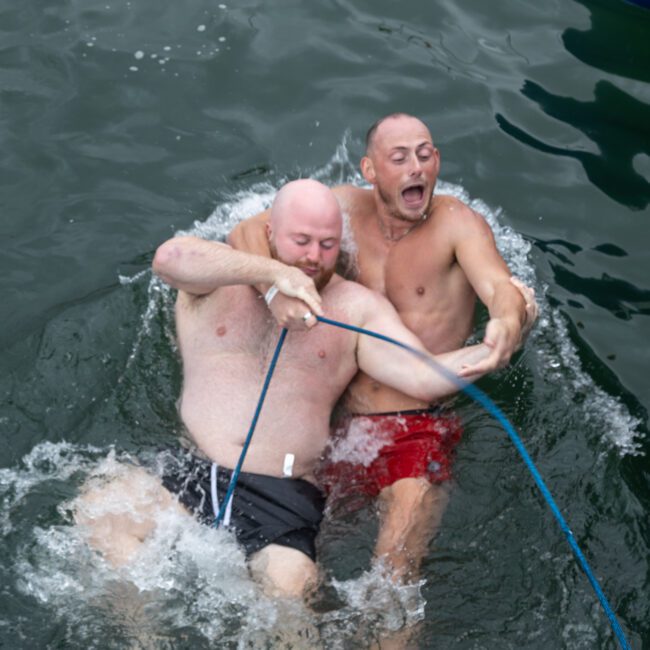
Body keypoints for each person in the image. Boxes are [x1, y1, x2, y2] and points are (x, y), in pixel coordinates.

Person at [74, 179, 493, 601]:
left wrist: (495, 347)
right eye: (302, 241)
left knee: (291, 591)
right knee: (101, 510)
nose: (314, 256)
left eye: (328, 244)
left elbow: (425, 377)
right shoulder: (219, 277)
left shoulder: (355, 307)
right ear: (271, 232)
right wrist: (274, 279)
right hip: (193, 469)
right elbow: (169, 258)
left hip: (278, 497)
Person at [228, 113, 538, 582]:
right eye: (400, 158)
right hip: (336, 425)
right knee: (299, 569)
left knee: (394, 578)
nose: (417, 167)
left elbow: (500, 287)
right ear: (370, 171)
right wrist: (276, 286)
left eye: (425, 154)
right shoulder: (341, 211)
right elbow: (247, 235)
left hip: (418, 426)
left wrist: (506, 323)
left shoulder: (458, 224)